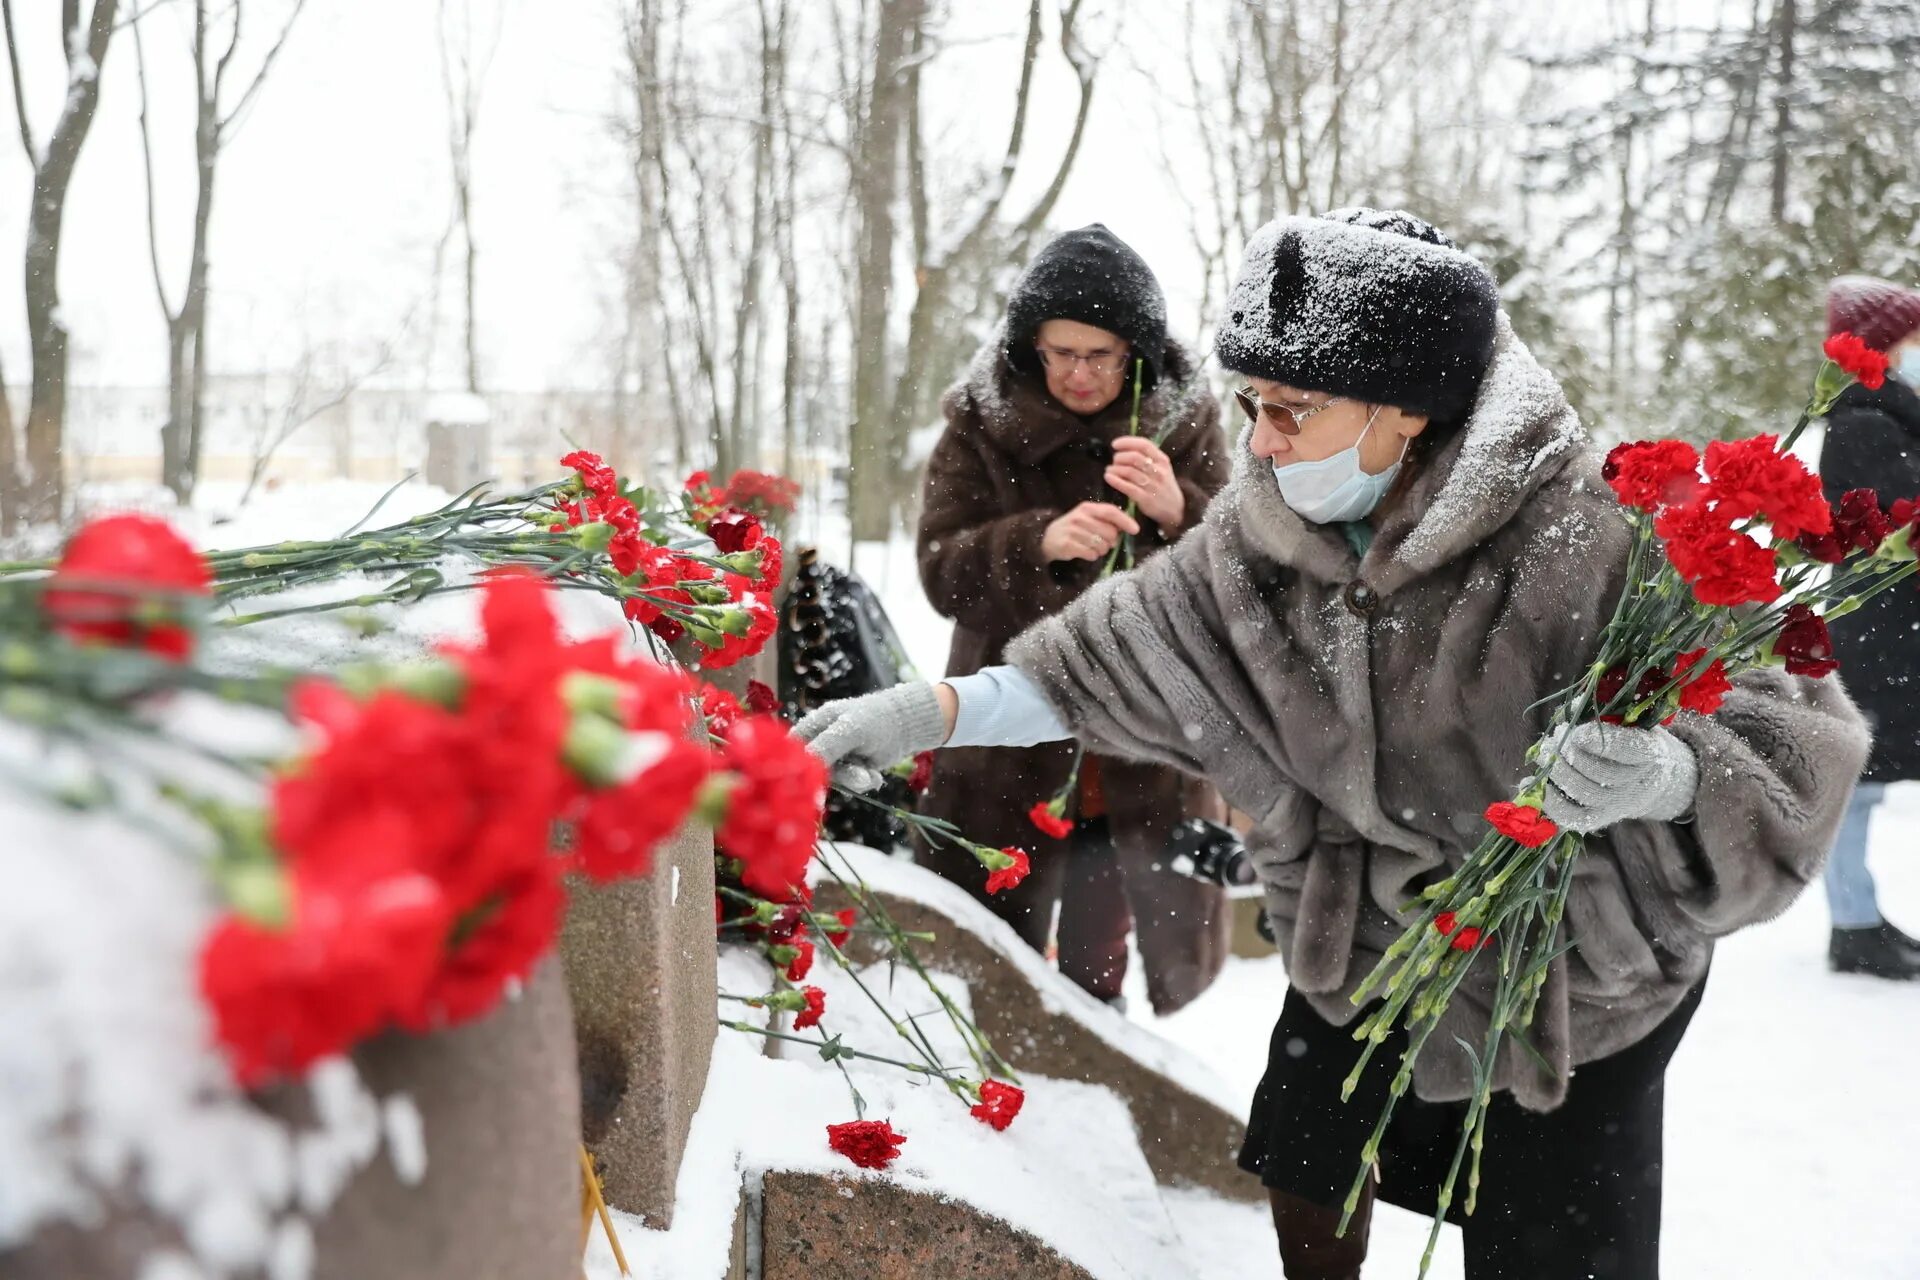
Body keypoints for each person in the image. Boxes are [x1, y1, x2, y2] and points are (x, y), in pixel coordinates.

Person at [799, 208, 1868, 1278]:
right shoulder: (1266, 536)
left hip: (1571, 972)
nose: (1258, 440)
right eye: (1254, 405)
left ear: (1405, 411)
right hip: (1364, 943)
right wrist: (925, 712)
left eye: (1292, 410)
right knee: (1310, 1160)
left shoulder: (1590, 533)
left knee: (1547, 1239)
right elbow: (1109, 654)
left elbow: (1787, 734)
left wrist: (1673, 771)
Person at [912, 223, 1234, 1014]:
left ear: (1137, 352)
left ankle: (1096, 1075)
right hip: (1007, 737)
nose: (1080, 374)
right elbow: (939, 568)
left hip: (1142, 740)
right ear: (1031, 346)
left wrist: (1176, 509)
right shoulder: (979, 424)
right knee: (988, 958)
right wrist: (1036, 543)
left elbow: (1247, 571)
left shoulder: (1186, 424)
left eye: (1101, 355)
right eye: (1060, 353)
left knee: (1100, 963)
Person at [1816, 275, 1920, 980]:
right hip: (1878, 634)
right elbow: (1900, 511)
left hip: (1895, 631)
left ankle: (1858, 921)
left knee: (1870, 780)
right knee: (1860, 784)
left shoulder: (1895, 416)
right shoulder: (1861, 423)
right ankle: (1852, 925)